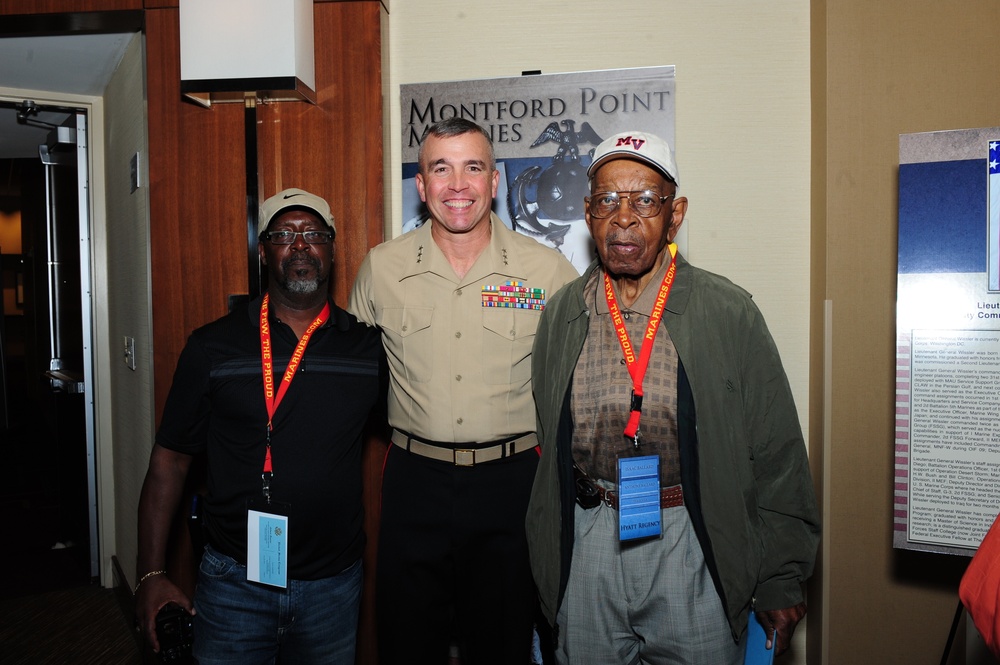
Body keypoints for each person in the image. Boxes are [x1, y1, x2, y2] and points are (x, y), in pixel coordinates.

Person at [525, 130, 821, 664]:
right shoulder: (562, 315)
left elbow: (776, 453)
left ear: (675, 213)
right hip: (589, 534)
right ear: (588, 212)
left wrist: (782, 575)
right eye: (608, 200)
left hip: (692, 537)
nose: (625, 217)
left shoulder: (727, 312)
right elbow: (549, 439)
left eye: (645, 200)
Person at [349, 117, 579, 664]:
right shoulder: (382, 268)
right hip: (413, 483)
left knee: (500, 644)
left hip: (510, 485)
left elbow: (580, 384)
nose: (458, 184)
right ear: (422, 185)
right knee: (407, 641)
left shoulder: (546, 271)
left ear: (495, 182)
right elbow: (350, 377)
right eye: (441, 168)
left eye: (472, 167)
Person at [135, 187, 387, 665]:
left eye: (313, 234)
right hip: (234, 584)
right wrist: (150, 575)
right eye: (283, 234)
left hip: (333, 588)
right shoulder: (213, 346)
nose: (299, 245)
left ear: (332, 247)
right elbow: (168, 463)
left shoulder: (366, 348)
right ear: (263, 250)